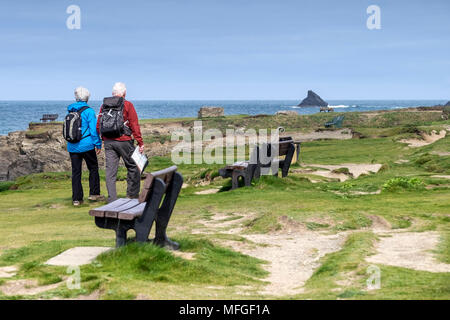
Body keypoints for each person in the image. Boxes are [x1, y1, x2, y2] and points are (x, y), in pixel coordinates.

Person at [97, 82, 145, 203]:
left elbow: (99, 125)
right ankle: (132, 196)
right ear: (124, 93)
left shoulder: (104, 106)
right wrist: (140, 142)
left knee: (110, 171)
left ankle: (112, 199)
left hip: (108, 141)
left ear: (113, 93)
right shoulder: (128, 104)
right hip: (124, 140)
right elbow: (134, 124)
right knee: (133, 166)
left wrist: (103, 138)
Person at [66, 87, 103, 206]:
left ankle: (76, 199)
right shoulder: (89, 111)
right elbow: (93, 130)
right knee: (93, 168)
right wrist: (98, 144)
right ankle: (94, 194)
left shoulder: (70, 110)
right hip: (87, 145)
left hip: (72, 145)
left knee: (76, 172)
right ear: (87, 98)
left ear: (76, 97)